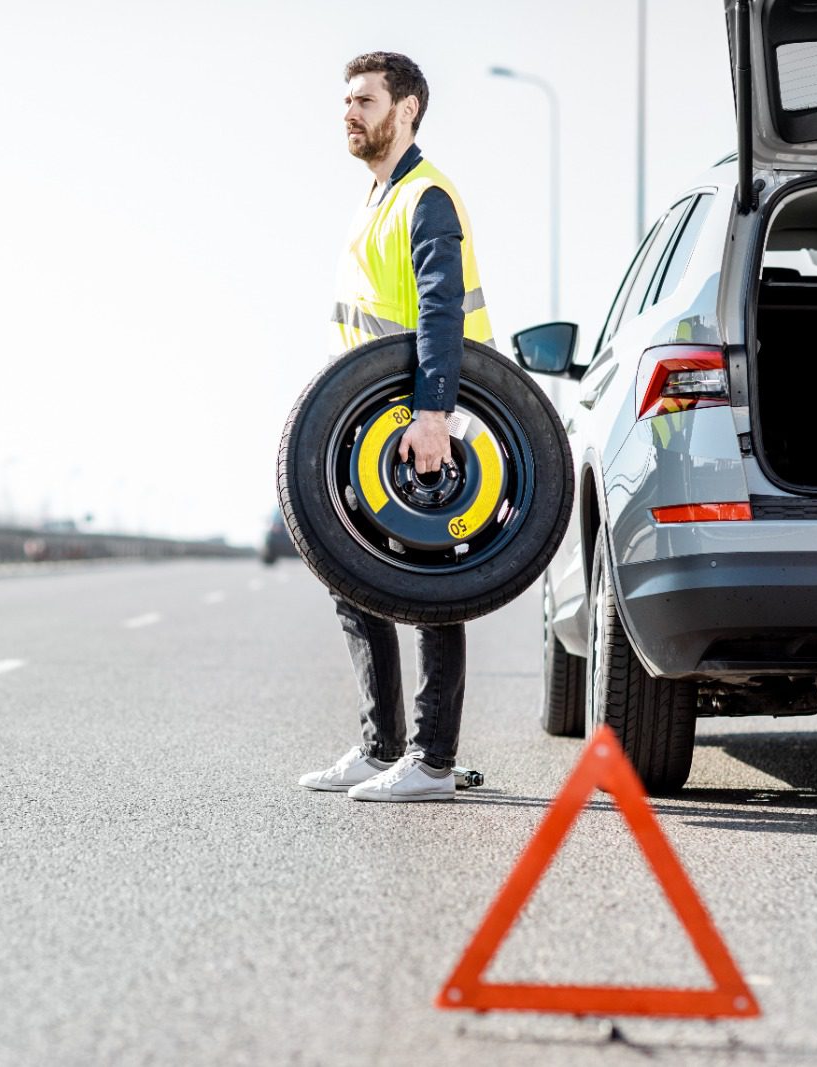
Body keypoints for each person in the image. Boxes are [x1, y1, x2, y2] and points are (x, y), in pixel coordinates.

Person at [298, 52, 491, 803]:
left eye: (363, 99)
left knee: (428, 586)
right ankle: (382, 746)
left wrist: (435, 414)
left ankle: (432, 761)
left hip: (423, 425)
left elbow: (442, 310)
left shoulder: (426, 197)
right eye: (345, 99)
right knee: (357, 581)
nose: (349, 111)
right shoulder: (375, 197)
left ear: (405, 108)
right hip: (366, 426)